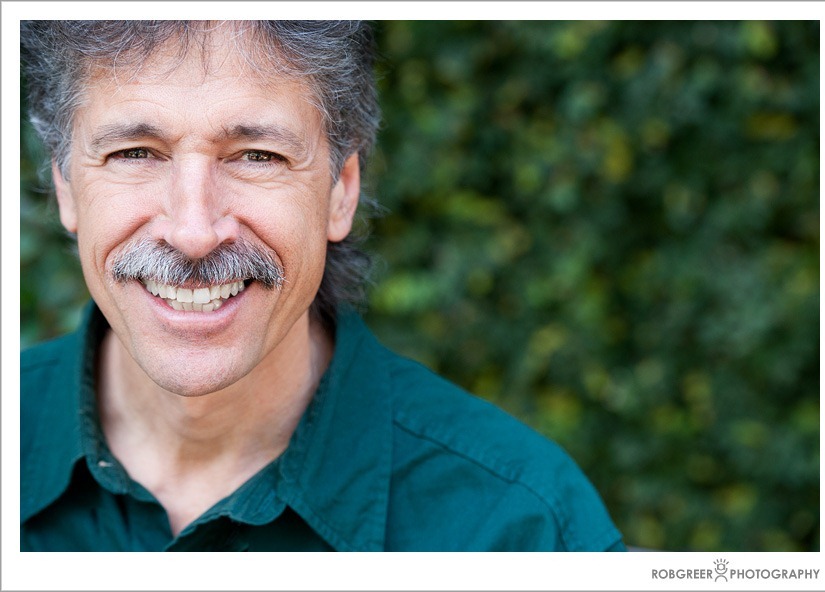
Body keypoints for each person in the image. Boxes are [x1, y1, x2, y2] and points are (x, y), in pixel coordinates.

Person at [20, 20, 625, 552]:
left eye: (257, 155)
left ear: (341, 191)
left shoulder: (521, 529)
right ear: (67, 187)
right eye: (134, 153)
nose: (194, 232)